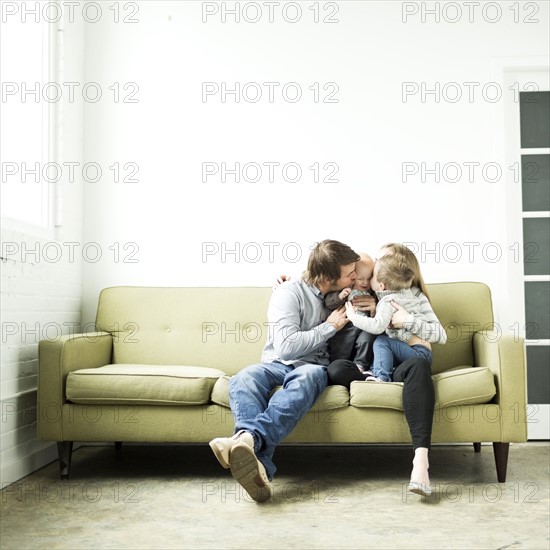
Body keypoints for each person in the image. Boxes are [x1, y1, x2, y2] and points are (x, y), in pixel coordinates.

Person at [209, 239, 359, 502]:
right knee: (244, 378)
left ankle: (245, 441)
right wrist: (329, 327)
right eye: (349, 274)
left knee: (308, 377)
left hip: (312, 367)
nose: (355, 276)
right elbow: (287, 347)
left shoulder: (345, 295)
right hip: (276, 364)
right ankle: (258, 459)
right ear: (326, 277)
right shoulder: (289, 293)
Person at [327, 242, 447, 497]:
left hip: (409, 365)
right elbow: (327, 284)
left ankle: (421, 462)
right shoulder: (376, 295)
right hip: (381, 368)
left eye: (381, 264)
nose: (373, 274)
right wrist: (288, 284)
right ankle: (374, 378)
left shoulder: (415, 297)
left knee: (417, 364)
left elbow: (439, 334)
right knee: (337, 369)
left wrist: (408, 321)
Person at [345, 253, 443, 382]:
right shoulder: (405, 294)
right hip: (416, 352)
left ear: (382, 285)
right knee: (382, 345)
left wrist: (352, 316)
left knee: (381, 342)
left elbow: (377, 326)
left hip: (417, 353)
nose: (368, 281)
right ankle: (376, 371)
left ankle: (381, 377)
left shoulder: (388, 301)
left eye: (372, 276)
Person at [324, 253, 377, 371]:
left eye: (369, 278)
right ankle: (337, 363)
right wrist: (339, 297)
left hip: (365, 327)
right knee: (342, 343)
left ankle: (360, 364)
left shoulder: (373, 293)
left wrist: (374, 311)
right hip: (346, 326)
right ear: (352, 276)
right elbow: (329, 302)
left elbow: (379, 318)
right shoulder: (344, 289)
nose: (365, 283)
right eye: (360, 279)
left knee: (367, 339)